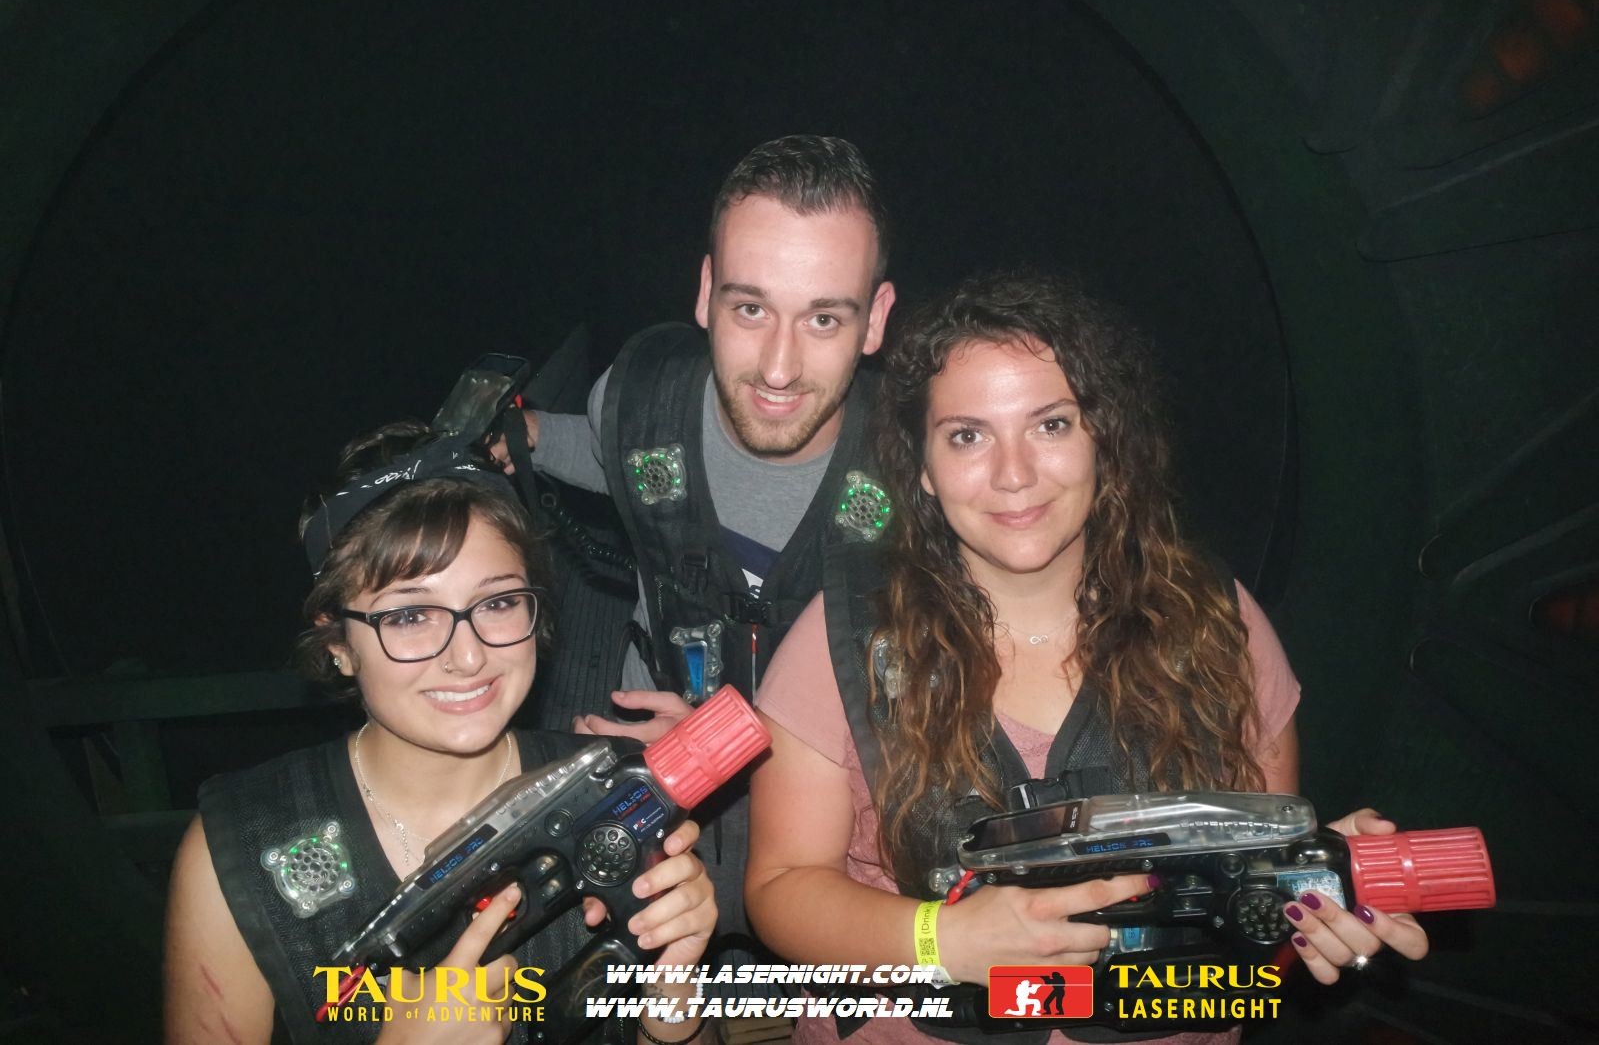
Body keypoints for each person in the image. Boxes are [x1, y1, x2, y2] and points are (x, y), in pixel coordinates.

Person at [746, 272, 1430, 1045]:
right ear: (924, 469)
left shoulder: (1215, 620)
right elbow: (780, 888)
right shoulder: (845, 638)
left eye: (1050, 425)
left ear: (1102, 436)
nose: (1013, 474)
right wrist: (943, 940)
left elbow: (1251, 944)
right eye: (967, 435)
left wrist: (1314, 902)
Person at [164, 422, 717, 1045]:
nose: (469, 656)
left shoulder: (614, 794)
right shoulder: (242, 845)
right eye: (410, 615)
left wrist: (673, 1000)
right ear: (338, 642)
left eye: (498, 603)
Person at [502, 135, 896, 948]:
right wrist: (529, 437)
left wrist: (716, 744)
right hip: (641, 775)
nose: (778, 369)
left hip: (816, 812)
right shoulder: (641, 398)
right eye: (750, 309)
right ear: (707, 291)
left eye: (824, 317)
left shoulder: (917, 468)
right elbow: (611, 454)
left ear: (876, 321)